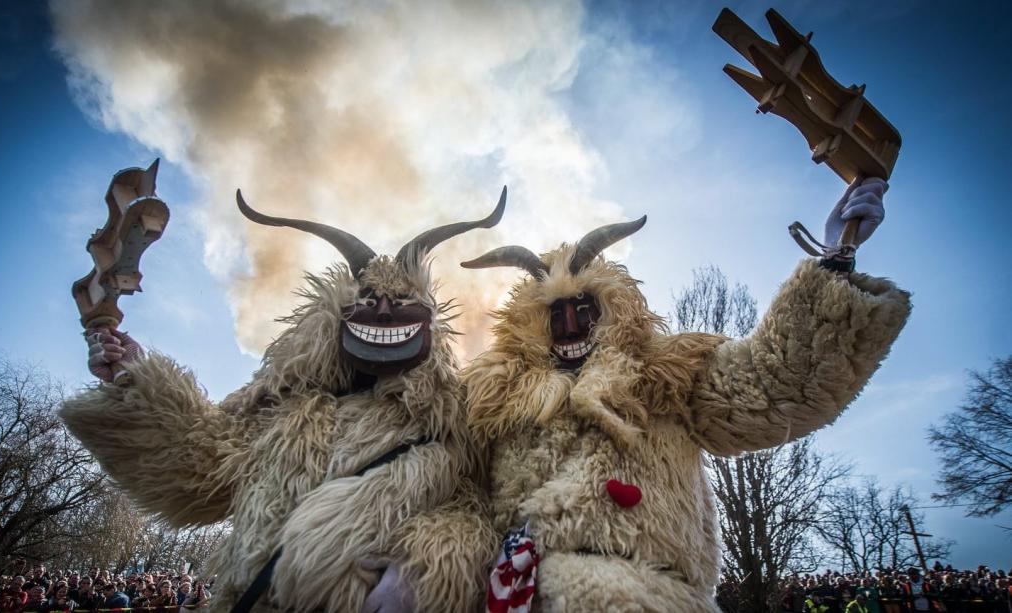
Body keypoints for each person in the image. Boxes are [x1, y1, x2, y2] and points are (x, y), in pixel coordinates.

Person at [60, 172, 507, 612]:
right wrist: (137, 378)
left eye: (401, 304)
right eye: (368, 302)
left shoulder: (455, 425)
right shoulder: (277, 407)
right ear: (333, 317)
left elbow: (483, 511)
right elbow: (195, 470)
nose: (385, 314)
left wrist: (429, 569)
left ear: (431, 322)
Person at [460, 177, 908, 611]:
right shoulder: (497, 404)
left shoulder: (667, 374)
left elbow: (772, 385)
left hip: (647, 597)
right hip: (516, 597)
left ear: (611, 308)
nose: (572, 327)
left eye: (584, 310)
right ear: (532, 324)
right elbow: (441, 476)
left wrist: (835, 254)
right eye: (556, 316)